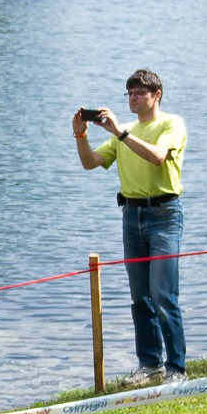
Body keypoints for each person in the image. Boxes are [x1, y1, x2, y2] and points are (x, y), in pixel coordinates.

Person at [72, 71, 187, 386]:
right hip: (131, 215)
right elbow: (90, 162)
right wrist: (80, 136)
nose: (133, 98)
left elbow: (158, 157)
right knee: (140, 296)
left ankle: (176, 368)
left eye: (139, 93)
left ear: (156, 95)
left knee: (163, 294)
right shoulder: (124, 132)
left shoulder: (171, 124)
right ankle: (150, 364)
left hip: (164, 215)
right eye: (130, 94)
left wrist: (120, 132)